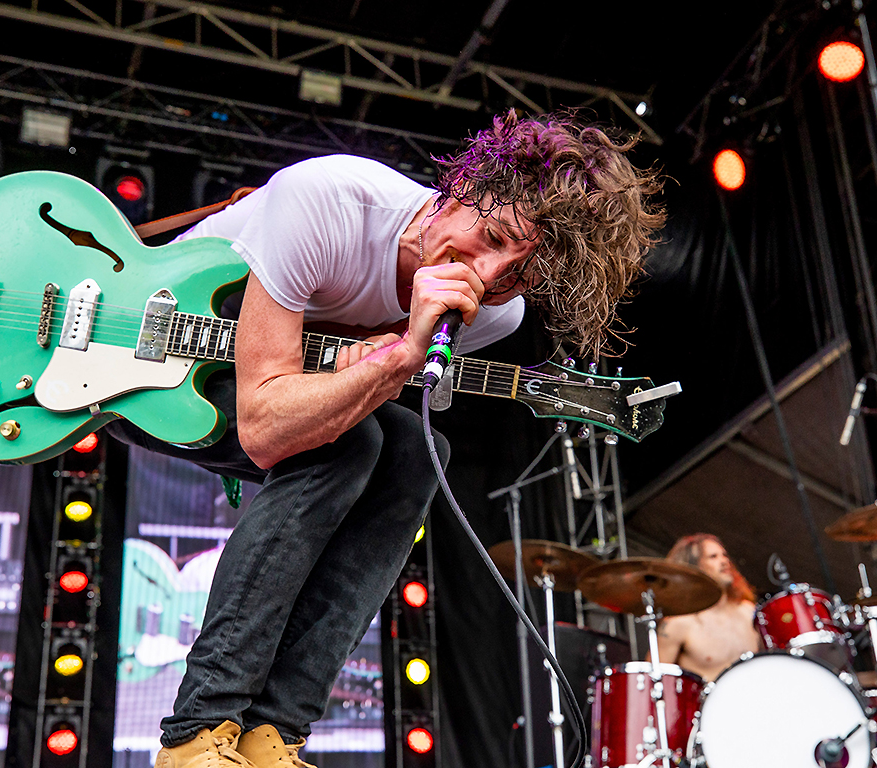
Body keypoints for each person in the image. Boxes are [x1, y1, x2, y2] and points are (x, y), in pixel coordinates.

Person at [107, 109, 665, 768]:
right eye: (490, 236)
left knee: (414, 453)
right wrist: (400, 357)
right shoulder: (331, 204)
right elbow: (264, 428)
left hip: (249, 385)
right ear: (460, 190)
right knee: (350, 446)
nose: (487, 277)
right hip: (134, 361)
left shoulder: (491, 316)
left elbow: (344, 396)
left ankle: (272, 736)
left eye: (518, 274)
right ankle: (197, 731)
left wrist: (381, 365)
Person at [656, 534, 760, 682]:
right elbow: (654, 683)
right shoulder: (678, 624)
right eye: (713, 557)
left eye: (724, 555)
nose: (724, 561)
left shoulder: (749, 612)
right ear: (695, 567)